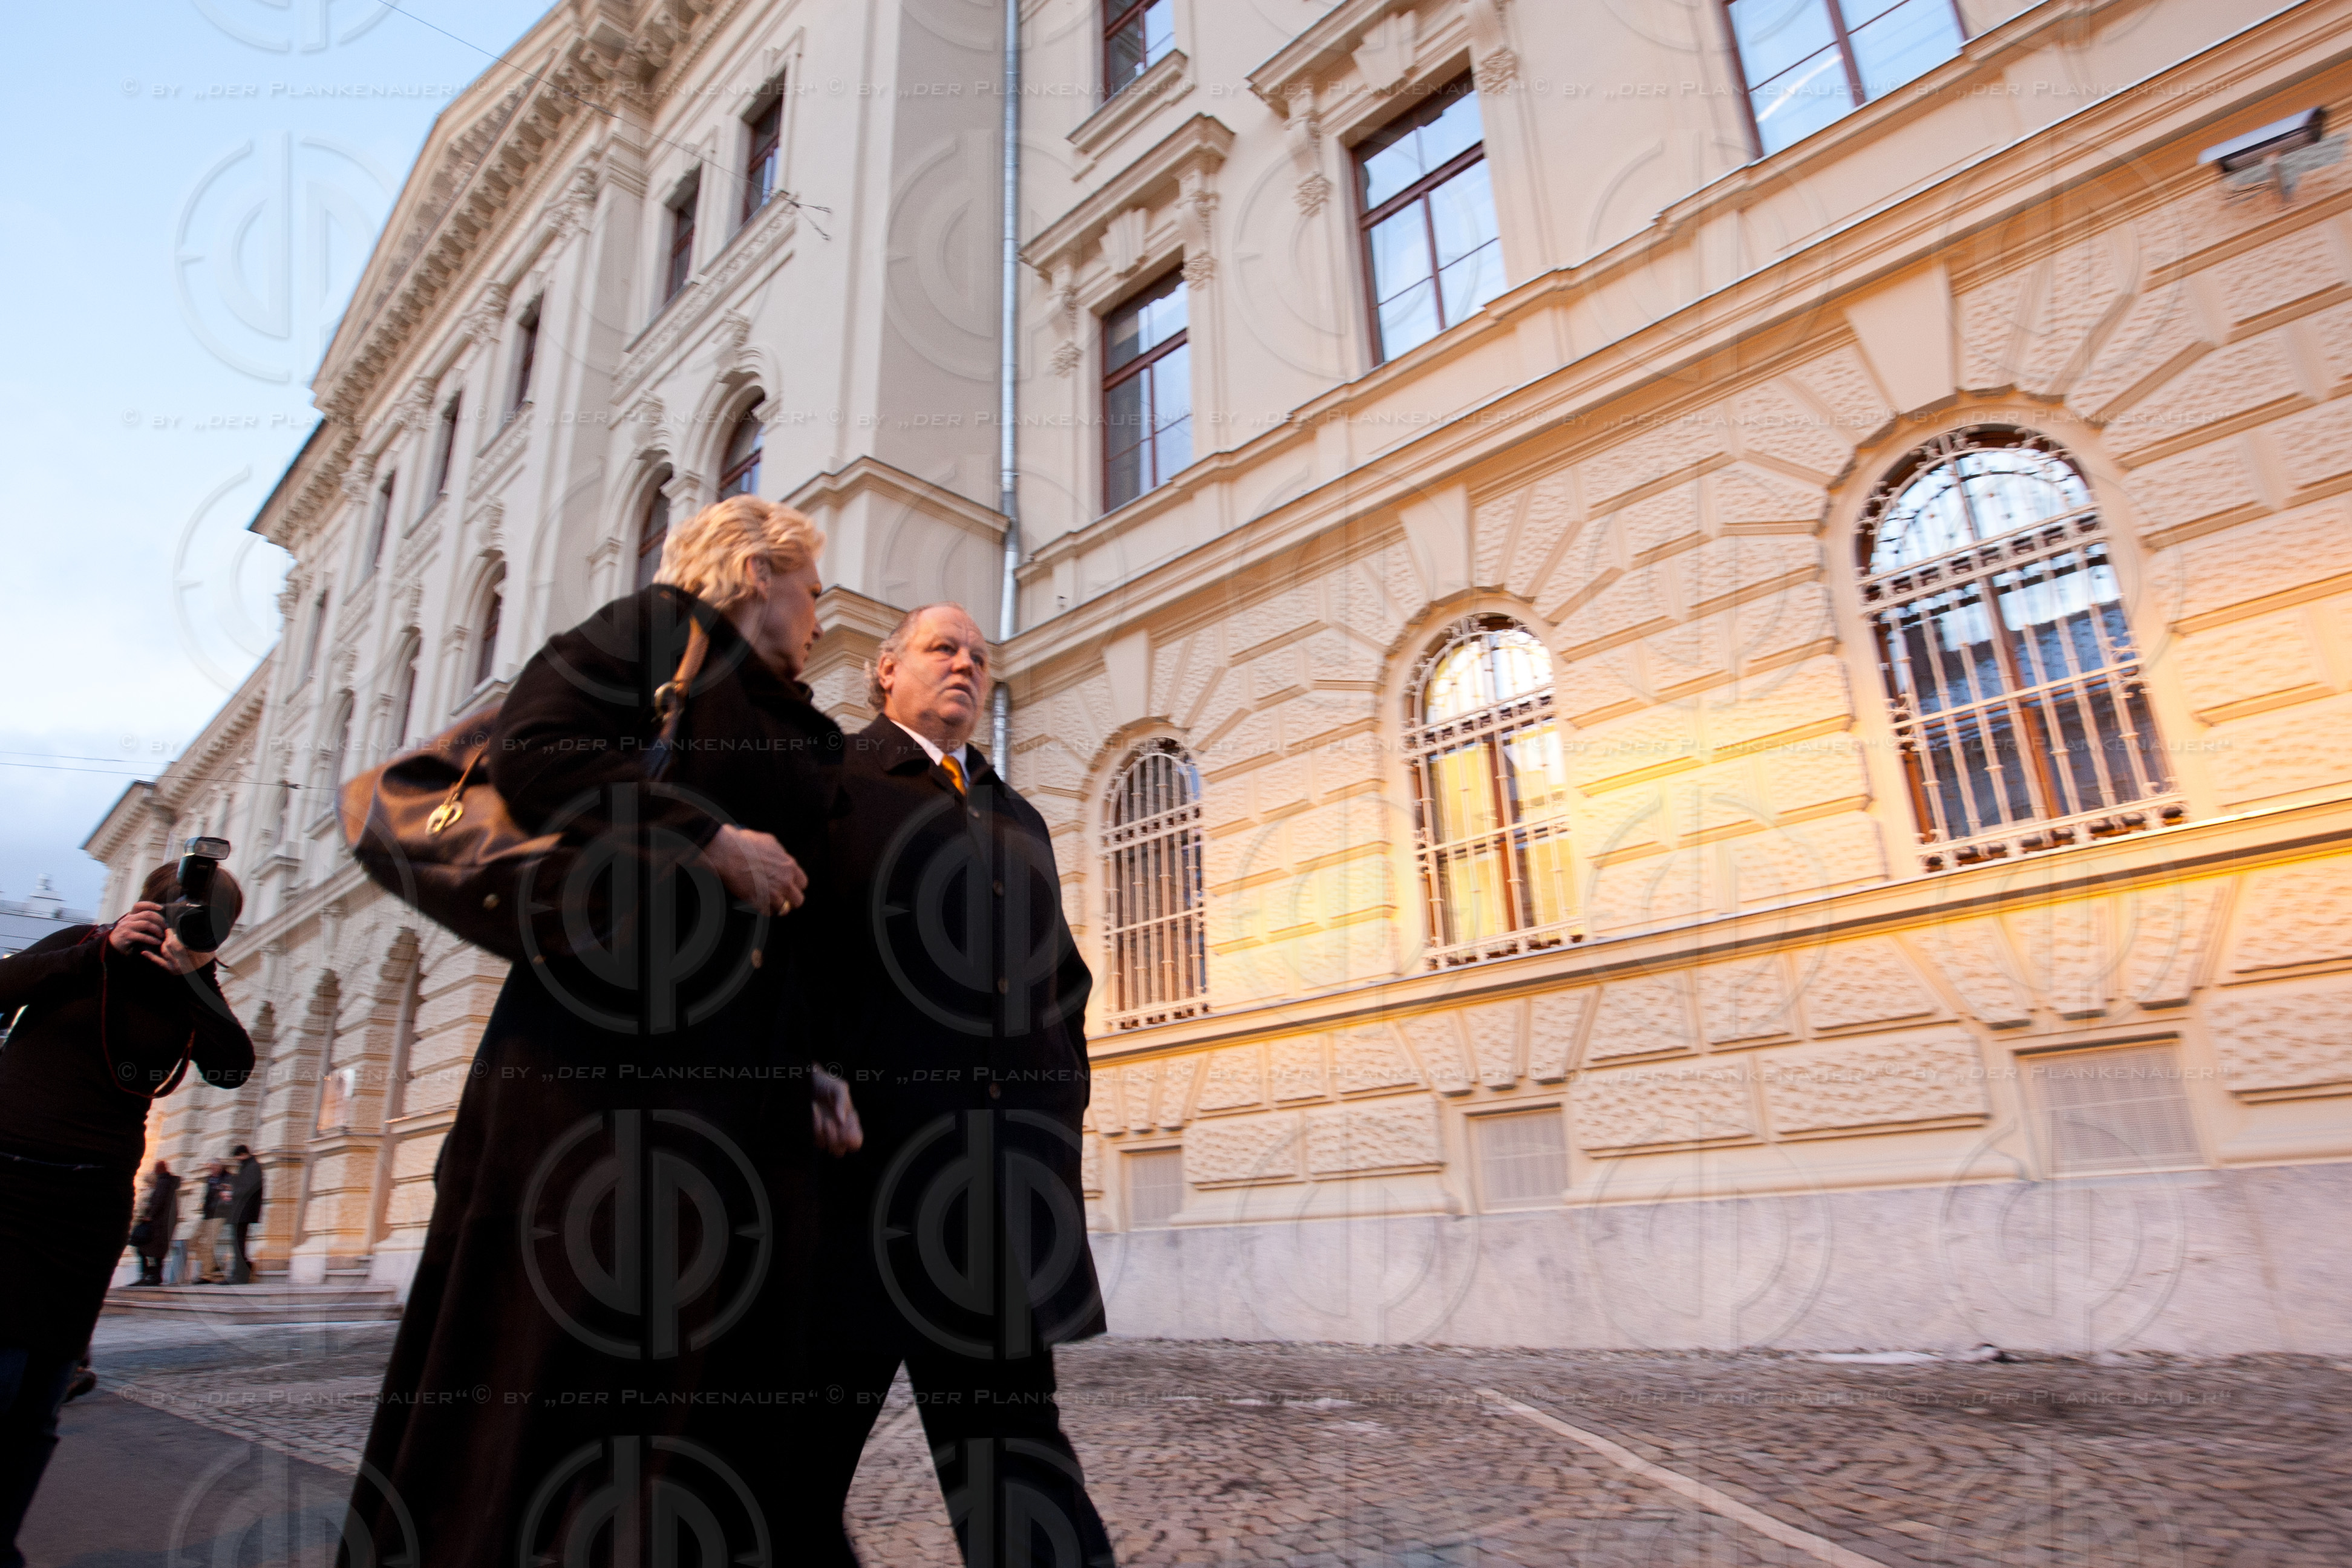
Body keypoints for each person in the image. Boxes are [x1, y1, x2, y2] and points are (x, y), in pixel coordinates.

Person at [341, 495, 858, 1568]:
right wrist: (707, 836)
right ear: (762, 570)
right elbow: (536, 750)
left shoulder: (790, 716)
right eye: (810, 584)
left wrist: (810, 1058)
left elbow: (795, 914)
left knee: (708, 1372)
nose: (819, 607)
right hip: (597, 1074)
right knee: (568, 1365)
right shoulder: (655, 632)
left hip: (738, 1082)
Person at [807, 603, 1115, 1567]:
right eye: (943, 648)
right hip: (855, 1193)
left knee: (1015, 1452)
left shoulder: (1015, 815)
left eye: (980, 657)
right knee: (788, 1458)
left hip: (996, 1193)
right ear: (883, 672)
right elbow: (785, 958)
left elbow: (1062, 982)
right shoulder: (833, 786)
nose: (966, 665)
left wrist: (1059, 1095)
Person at [0, 863, 252, 1567]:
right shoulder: (86, 943)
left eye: (206, 921)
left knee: (40, 1395)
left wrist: (198, 977)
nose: (183, 925)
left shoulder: (191, 990)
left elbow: (232, 1069)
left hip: (89, 1206)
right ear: (152, 903)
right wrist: (98, 949)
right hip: (9, 1182)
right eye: (178, 908)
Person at [129, 1159, 181, 1286]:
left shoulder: (163, 1182)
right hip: (163, 1224)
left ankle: (150, 1276)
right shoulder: (169, 1183)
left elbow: (159, 1201)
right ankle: (153, 1276)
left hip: (158, 1225)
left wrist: (150, 1216)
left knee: (145, 1249)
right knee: (155, 1252)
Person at [223, 1145, 263, 1284]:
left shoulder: (252, 1167)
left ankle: (241, 1275)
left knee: (239, 1244)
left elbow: (247, 1189)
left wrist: (231, 1192)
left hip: (243, 1212)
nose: (237, 1160)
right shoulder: (248, 1166)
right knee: (237, 1244)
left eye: (238, 1157)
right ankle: (241, 1271)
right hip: (241, 1212)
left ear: (243, 1154)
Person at [189, 1161, 230, 1284]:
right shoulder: (210, 1179)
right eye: (211, 1167)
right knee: (192, 1241)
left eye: (215, 1167)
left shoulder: (228, 1179)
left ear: (221, 1167)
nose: (212, 1169)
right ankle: (212, 1264)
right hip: (207, 1214)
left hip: (219, 1214)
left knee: (208, 1244)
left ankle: (206, 1275)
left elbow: (228, 1198)